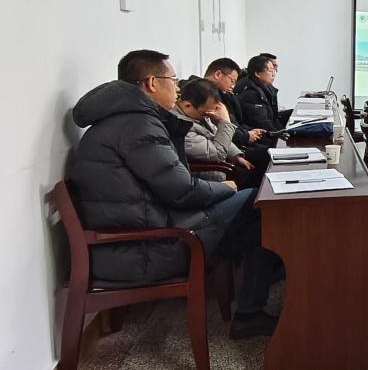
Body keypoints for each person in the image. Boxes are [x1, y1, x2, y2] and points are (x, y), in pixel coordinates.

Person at [70, 50, 279, 339]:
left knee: (258, 211)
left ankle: (255, 302)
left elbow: (172, 183)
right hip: (148, 246)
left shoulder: (128, 120)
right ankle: (254, 308)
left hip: (148, 229)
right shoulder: (137, 126)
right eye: (173, 79)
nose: (178, 87)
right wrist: (226, 189)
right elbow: (181, 190)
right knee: (262, 206)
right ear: (152, 83)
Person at [171, 79, 255, 181]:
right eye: (204, 113)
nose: (207, 116)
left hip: (222, 168)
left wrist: (236, 156)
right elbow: (218, 154)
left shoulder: (198, 114)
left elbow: (217, 135)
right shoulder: (180, 126)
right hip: (206, 178)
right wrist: (225, 122)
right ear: (187, 105)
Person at [236, 54, 284, 132]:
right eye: (270, 71)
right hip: (260, 136)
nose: (273, 74)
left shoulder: (267, 88)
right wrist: (280, 134)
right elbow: (262, 124)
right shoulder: (251, 94)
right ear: (257, 74)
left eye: (274, 70)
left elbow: (274, 119)